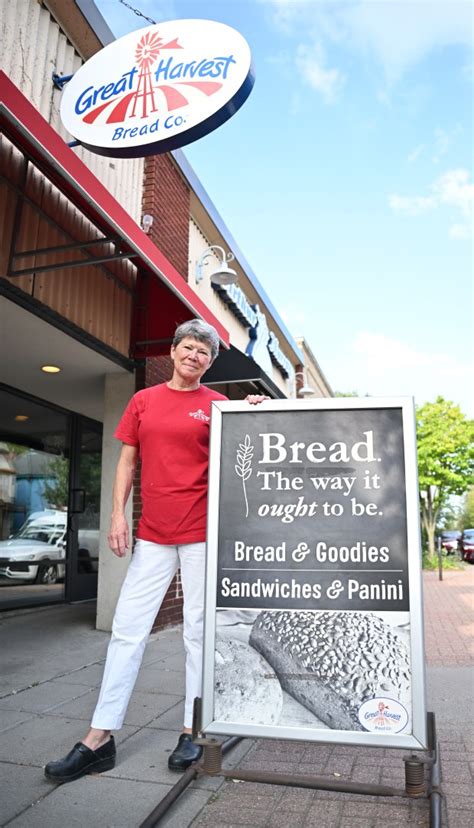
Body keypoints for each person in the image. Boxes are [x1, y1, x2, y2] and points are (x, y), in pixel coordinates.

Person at [44, 319, 267, 784]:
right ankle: (99, 738)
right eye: (188, 347)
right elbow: (127, 460)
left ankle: (192, 728)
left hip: (203, 533)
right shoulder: (143, 401)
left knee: (199, 634)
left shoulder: (219, 405)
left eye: (204, 353)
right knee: (127, 630)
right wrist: (118, 516)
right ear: (173, 350)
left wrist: (253, 411)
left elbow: (244, 455)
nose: (195, 357)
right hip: (154, 534)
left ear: (210, 361)